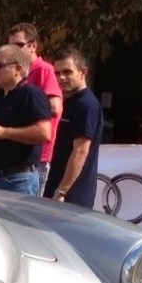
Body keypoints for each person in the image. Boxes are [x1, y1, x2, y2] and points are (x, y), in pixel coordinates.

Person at [0, 45, 51, 196]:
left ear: (18, 69)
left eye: (0, 66)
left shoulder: (31, 94)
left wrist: (2, 132)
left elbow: (44, 132)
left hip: (17, 181)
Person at [44, 47, 104, 207]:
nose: (61, 77)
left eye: (67, 72)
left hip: (72, 198)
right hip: (58, 191)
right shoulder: (71, 102)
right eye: (57, 73)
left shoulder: (86, 105)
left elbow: (80, 151)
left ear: (82, 72)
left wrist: (61, 192)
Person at [9, 23, 62, 195]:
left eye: (18, 45)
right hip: (19, 154)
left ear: (33, 46)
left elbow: (54, 106)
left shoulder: (44, 69)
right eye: (10, 46)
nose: (13, 51)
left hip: (38, 157)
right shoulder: (19, 72)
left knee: (28, 212)